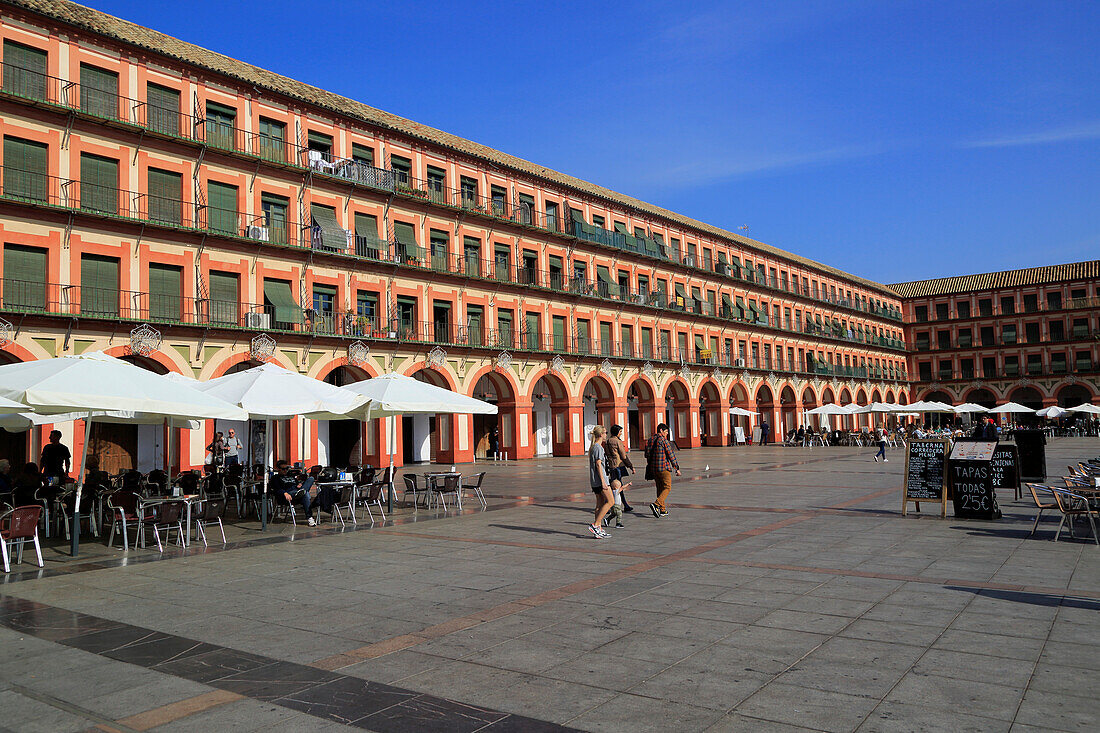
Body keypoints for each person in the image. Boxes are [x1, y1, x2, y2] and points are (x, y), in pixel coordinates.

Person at [645, 423, 680, 518]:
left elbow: (647, 455)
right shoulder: (663, 440)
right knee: (667, 487)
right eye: (666, 432)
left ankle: (662, 510)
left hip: (654, 468)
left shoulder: (650, 440)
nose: (667, 434)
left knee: (660, 488)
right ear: (661, 430)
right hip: (664, 468)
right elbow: (670, 454)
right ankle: (656, 504)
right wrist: (676, 467)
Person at [271, 459, 317, 526]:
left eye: (286, 468)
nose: (285, 470)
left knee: (311, 479)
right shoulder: (275, 478)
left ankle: (301, 492)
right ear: (278, 469)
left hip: (296, 490)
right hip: (288, 494)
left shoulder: (290, 475)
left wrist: (299, 485)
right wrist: (285, 493)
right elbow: (276, 489)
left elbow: (296, 483)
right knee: (306, 494)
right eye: (283, 469)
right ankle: (309, 517)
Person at [587, 426, 612, 538]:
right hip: (601, 481)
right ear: (601, 434)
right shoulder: (598, 448)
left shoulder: (593, 447)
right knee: (611, 502)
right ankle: (596, 525)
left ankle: (599, 529)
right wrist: (603, 481)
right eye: (605, 433)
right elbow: (598, 464)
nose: (607, 434)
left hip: (594, 481)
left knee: (600, 504)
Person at [605, 425, 635, 513]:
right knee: (618, 487)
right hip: (618, 465)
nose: (621, 433)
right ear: (617, 432)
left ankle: (619, 504)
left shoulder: (608, 441)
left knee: (613, 486)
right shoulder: (617, 441)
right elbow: (623, 456)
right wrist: (630, 466)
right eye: (620, 432)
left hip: (611, 466)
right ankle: (622, 505)